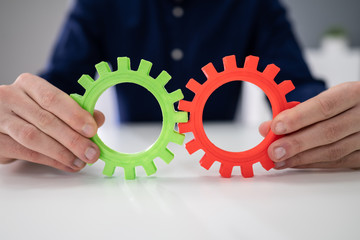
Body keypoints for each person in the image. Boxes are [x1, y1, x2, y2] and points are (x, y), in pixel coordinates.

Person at [0, 0, 359, 173]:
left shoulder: (258, 6)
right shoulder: (98, 5)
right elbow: (58, 89)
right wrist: (23, 118)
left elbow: (294, 91)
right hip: (134, 168)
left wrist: (333, 121)